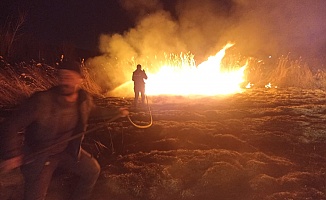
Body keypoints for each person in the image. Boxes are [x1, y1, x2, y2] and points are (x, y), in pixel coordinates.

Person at [0, 60, 129, 200]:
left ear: (80, 80)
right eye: (62, 76)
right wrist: (12, 154)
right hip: (41, 156)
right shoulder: (42, 101)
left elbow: (95, 111)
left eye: (70, 77)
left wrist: (117, 111)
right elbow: (11, 125)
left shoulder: (83, 99)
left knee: (93, 170)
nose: (65, 80)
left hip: (68, 151)